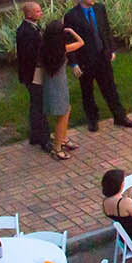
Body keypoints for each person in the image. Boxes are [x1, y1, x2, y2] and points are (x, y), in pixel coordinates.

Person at [61, 0, 132, 132]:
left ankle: (120, 117)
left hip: (102, 56)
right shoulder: (72, 16)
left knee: (110, 88)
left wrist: (111, 49)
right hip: (85, 60)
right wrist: (74, 63)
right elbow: (69, 41)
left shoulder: (99, 9)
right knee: (87, 91)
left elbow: (106, 30)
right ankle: (93, 119)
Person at [39, 14, 82, 160]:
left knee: (65, 110)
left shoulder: (46, 48)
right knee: (62, 115)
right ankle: (57, 148)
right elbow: (81, 42)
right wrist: (72, 32)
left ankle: (62, 138)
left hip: (52, 84)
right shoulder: (62, 49)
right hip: (59, 86)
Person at [13, 0, 47, 150]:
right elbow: (30, 55)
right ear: (29, 14)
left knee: (36, 103)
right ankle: (43, 138)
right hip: (33, 73)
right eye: (38, 11)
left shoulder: (33, 27)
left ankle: (36, 135)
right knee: (39, 104)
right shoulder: (25, 32)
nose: (41, 13)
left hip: (36, 71)